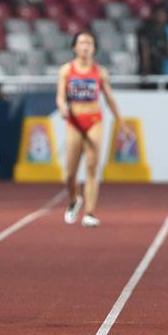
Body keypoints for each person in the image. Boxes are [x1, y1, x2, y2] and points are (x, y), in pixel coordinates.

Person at [56, 31, 127, 227]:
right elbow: (61, 96)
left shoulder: (100, 72)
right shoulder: (66, 70)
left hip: (94, 120)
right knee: (69, 173)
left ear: (94, 48)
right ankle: (74, 199)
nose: (86, 46)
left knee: (92, 168)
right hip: (74, 122)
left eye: (89, 43)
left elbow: (110, 98)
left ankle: (89, 212)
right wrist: (62, 107)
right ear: (75, 47)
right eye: (82, 42)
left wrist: (121, 122)